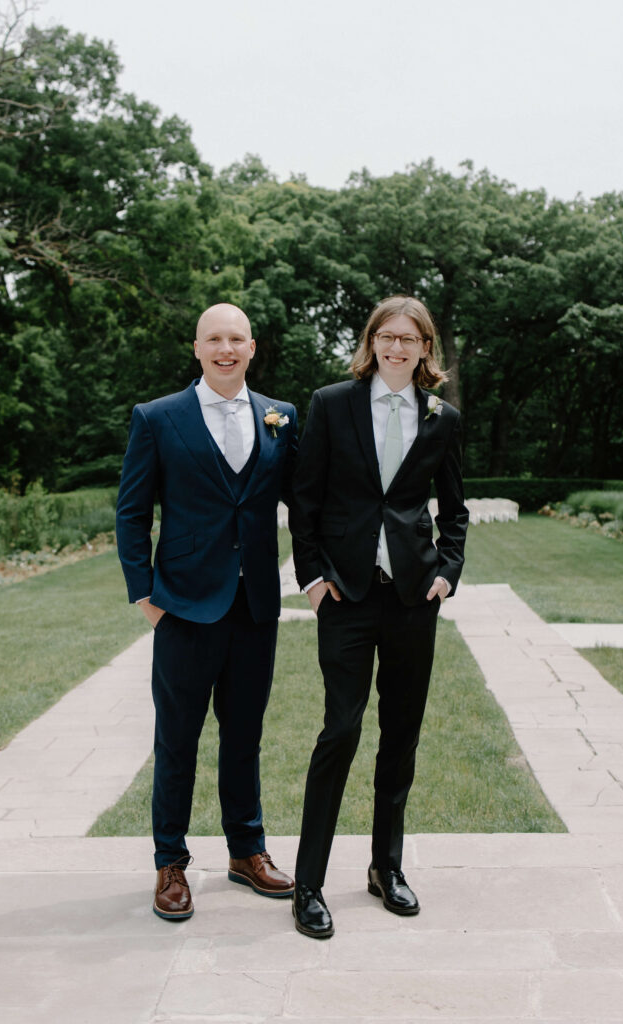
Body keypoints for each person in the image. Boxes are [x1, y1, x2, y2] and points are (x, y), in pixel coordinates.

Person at [289, 295, 468, 939]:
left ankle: (385, 868)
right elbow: (304, 498)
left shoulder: (442, 418)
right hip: (346, 597)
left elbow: (455, 509)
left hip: (414, 600)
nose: (397, 347)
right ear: (372, 342)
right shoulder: (332, 403)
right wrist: (312, 578)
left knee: (401, 735)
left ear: (426, 348)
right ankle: (308, 882)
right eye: (387, 336)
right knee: (341, 729)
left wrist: (447, 571)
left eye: (410, 338)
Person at [116, 302, 298, 920]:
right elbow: (133, 512)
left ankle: (247, 852)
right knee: (178, 741)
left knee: (244, 734)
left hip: (255, 609)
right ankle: (170, 862)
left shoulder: (281, 419)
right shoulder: (157, 418)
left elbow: (305, 502)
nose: (226, 348)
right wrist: (145, 596)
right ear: (197, 348)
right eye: (213, 339)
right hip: (185, 609)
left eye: (236, 339)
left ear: (252, 348)